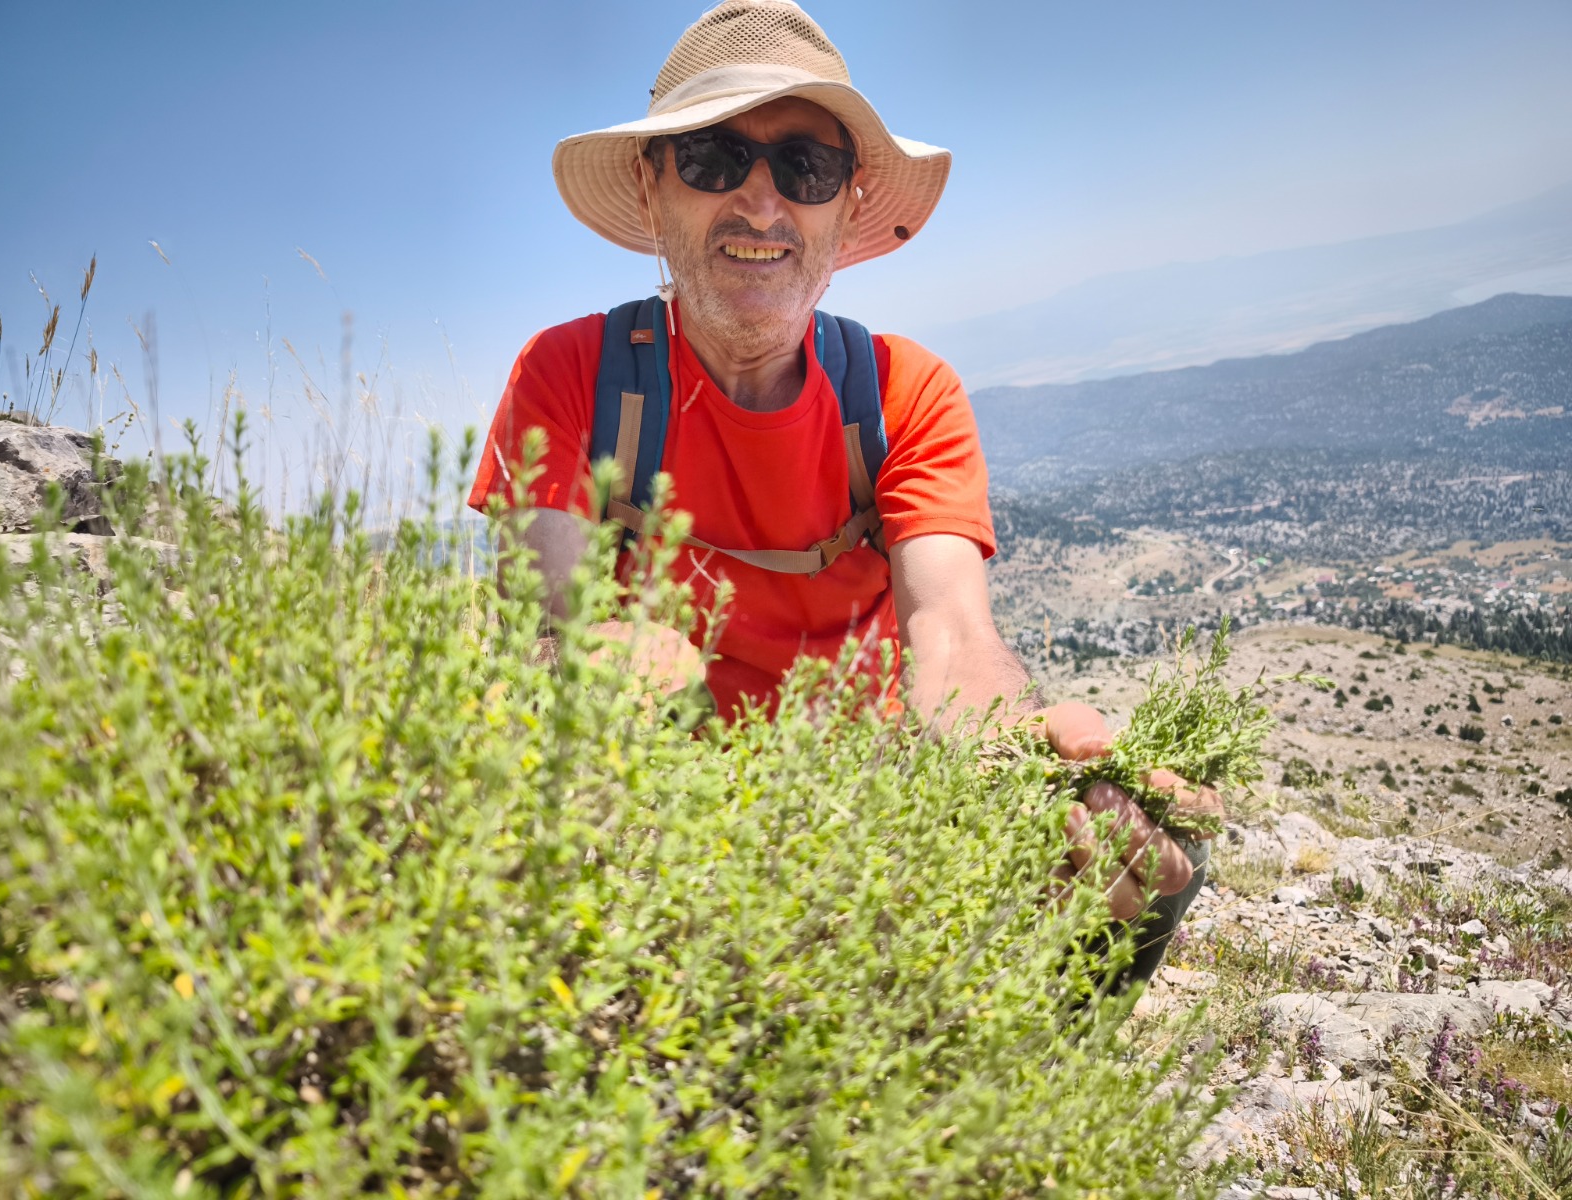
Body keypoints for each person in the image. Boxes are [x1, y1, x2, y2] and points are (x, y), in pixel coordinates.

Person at [469, 0, 1221, 984]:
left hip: (873, 819)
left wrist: (1022, 753)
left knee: (1126, 861)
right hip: (655, 819)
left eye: (804, 167)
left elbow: (952, 640)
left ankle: (1021, 1100)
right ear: (653, 193)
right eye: (709, 158)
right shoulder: (571, 375)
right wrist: (618, 660)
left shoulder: (907, 393)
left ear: (848, 204)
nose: (759, 201)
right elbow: (551, 624)